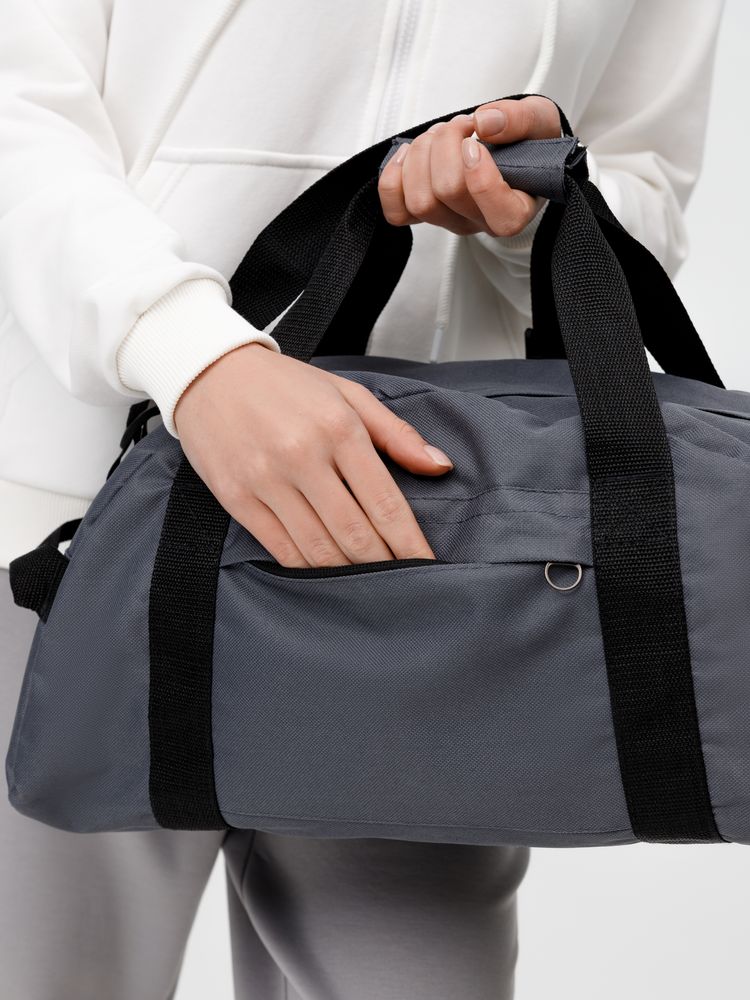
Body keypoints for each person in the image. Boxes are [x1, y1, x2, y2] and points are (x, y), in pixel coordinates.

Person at [0, 1, 724, 998]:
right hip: (79, 532)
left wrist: (528, 200)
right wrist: (190, 353)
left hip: (442, 563)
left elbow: (645, 185)